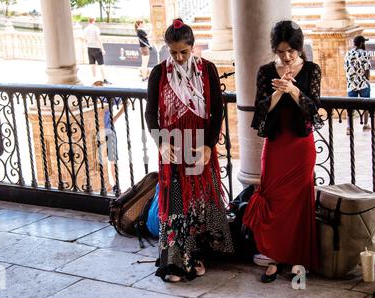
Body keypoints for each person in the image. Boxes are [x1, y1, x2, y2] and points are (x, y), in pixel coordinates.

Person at [145, 18, 234, 282]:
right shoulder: (159, 73)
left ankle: (196, 256)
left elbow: (217, 110)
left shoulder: (207, 70)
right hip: (172, 146)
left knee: (199, 201)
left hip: (198, 144)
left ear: (193, 47)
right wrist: (161, 142)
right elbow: (151, 113)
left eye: (184, 52)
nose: (179, 57)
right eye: (173, 52)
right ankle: (173, 263)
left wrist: (209, 144)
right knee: (175, 202)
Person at [243, 20, 324, 283]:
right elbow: (260, 110)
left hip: (301, 147)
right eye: (281, 51)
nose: (287, 56)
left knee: (300, 204)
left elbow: (314, 108)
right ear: (275, 50)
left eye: (291, 51)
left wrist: (293, 90)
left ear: (299, 48)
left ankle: (298, 258)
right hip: (277, 145)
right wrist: (279, 93)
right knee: (273, 199)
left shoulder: (312, 70)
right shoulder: (266, 72)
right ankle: (273, 257)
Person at [92, 81, 124, 191]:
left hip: (108, 130)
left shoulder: (107, 96)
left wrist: (115, 117)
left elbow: (126, 102)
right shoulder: (94, 98)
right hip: (100, 132)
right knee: (106, 159)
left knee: (112, 159)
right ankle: (110, 184)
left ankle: (115, 184)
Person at [344, 35, 372, 135]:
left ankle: (349, 127)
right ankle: (365, 124)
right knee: (366, 105)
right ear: (361, 43)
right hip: (363, 83)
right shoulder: (365, 54)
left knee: (350, 107)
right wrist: (366, 81)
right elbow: (367, 70)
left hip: (351, 84)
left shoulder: (348, 53)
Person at [84, 18, 111, 85]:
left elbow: (84, 39)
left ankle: (94, 79)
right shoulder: (95, 28)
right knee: (101, 65)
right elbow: (98, 39)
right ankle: (105, 79)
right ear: (94, 21)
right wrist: (102, 49)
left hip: (89, 48)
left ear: (88, 21)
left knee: (92, 65)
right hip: (96, 48)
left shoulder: (85, 29)